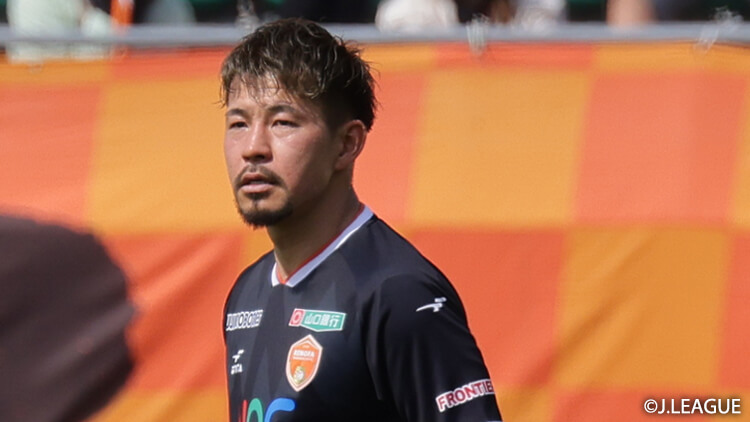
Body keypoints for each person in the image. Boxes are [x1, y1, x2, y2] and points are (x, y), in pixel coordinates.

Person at [220, 18, 503, 422]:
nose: (252, 148)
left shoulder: (398, 294)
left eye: (282, 122)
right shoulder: (246, 293)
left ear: (347, 144)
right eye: (238, 123)